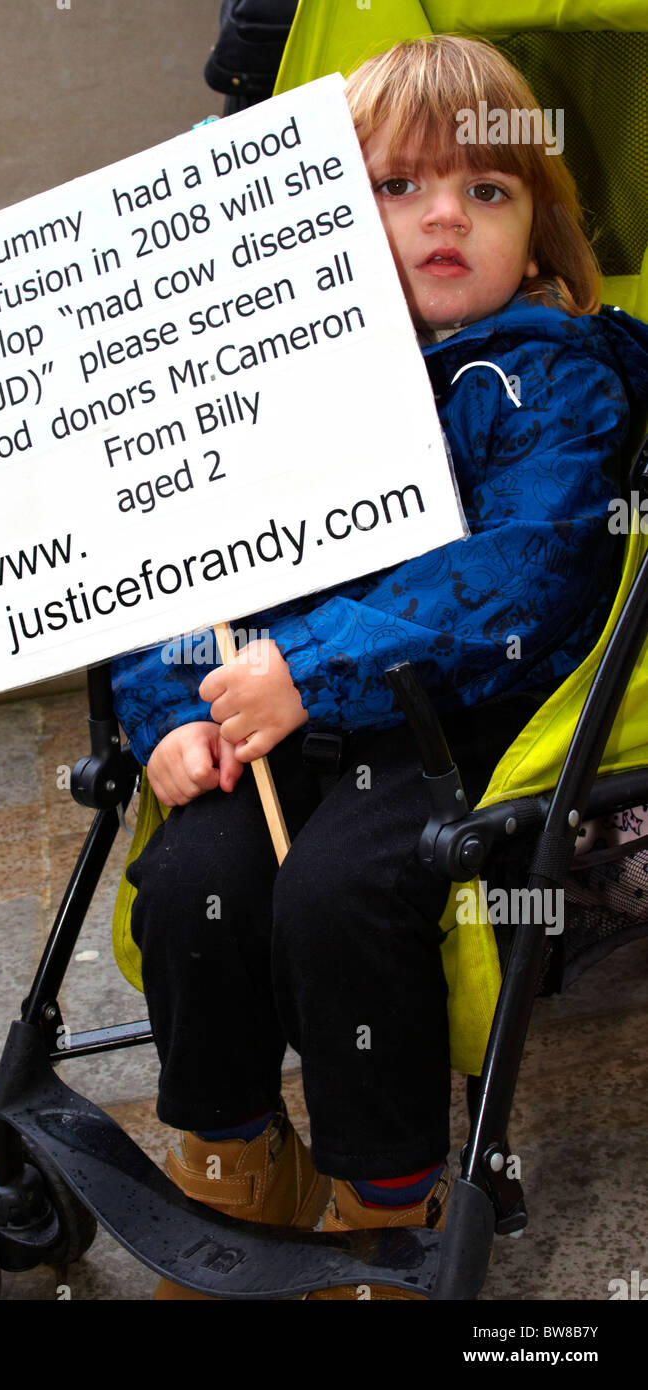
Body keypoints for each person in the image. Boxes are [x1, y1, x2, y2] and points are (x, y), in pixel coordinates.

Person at [111, 34, 648, 1299]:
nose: (443, 215)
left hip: (450, 733)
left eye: (488, 188)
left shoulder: (545, 385)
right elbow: (171, 569)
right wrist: (158, 716)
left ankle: (380, 1193)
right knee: (192, 877)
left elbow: (520, 578)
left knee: (335, 896)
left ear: (540, 226)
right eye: (395, 189)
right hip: (270, 725)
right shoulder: (269, 388)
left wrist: (307, 661)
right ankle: (233, 1164)